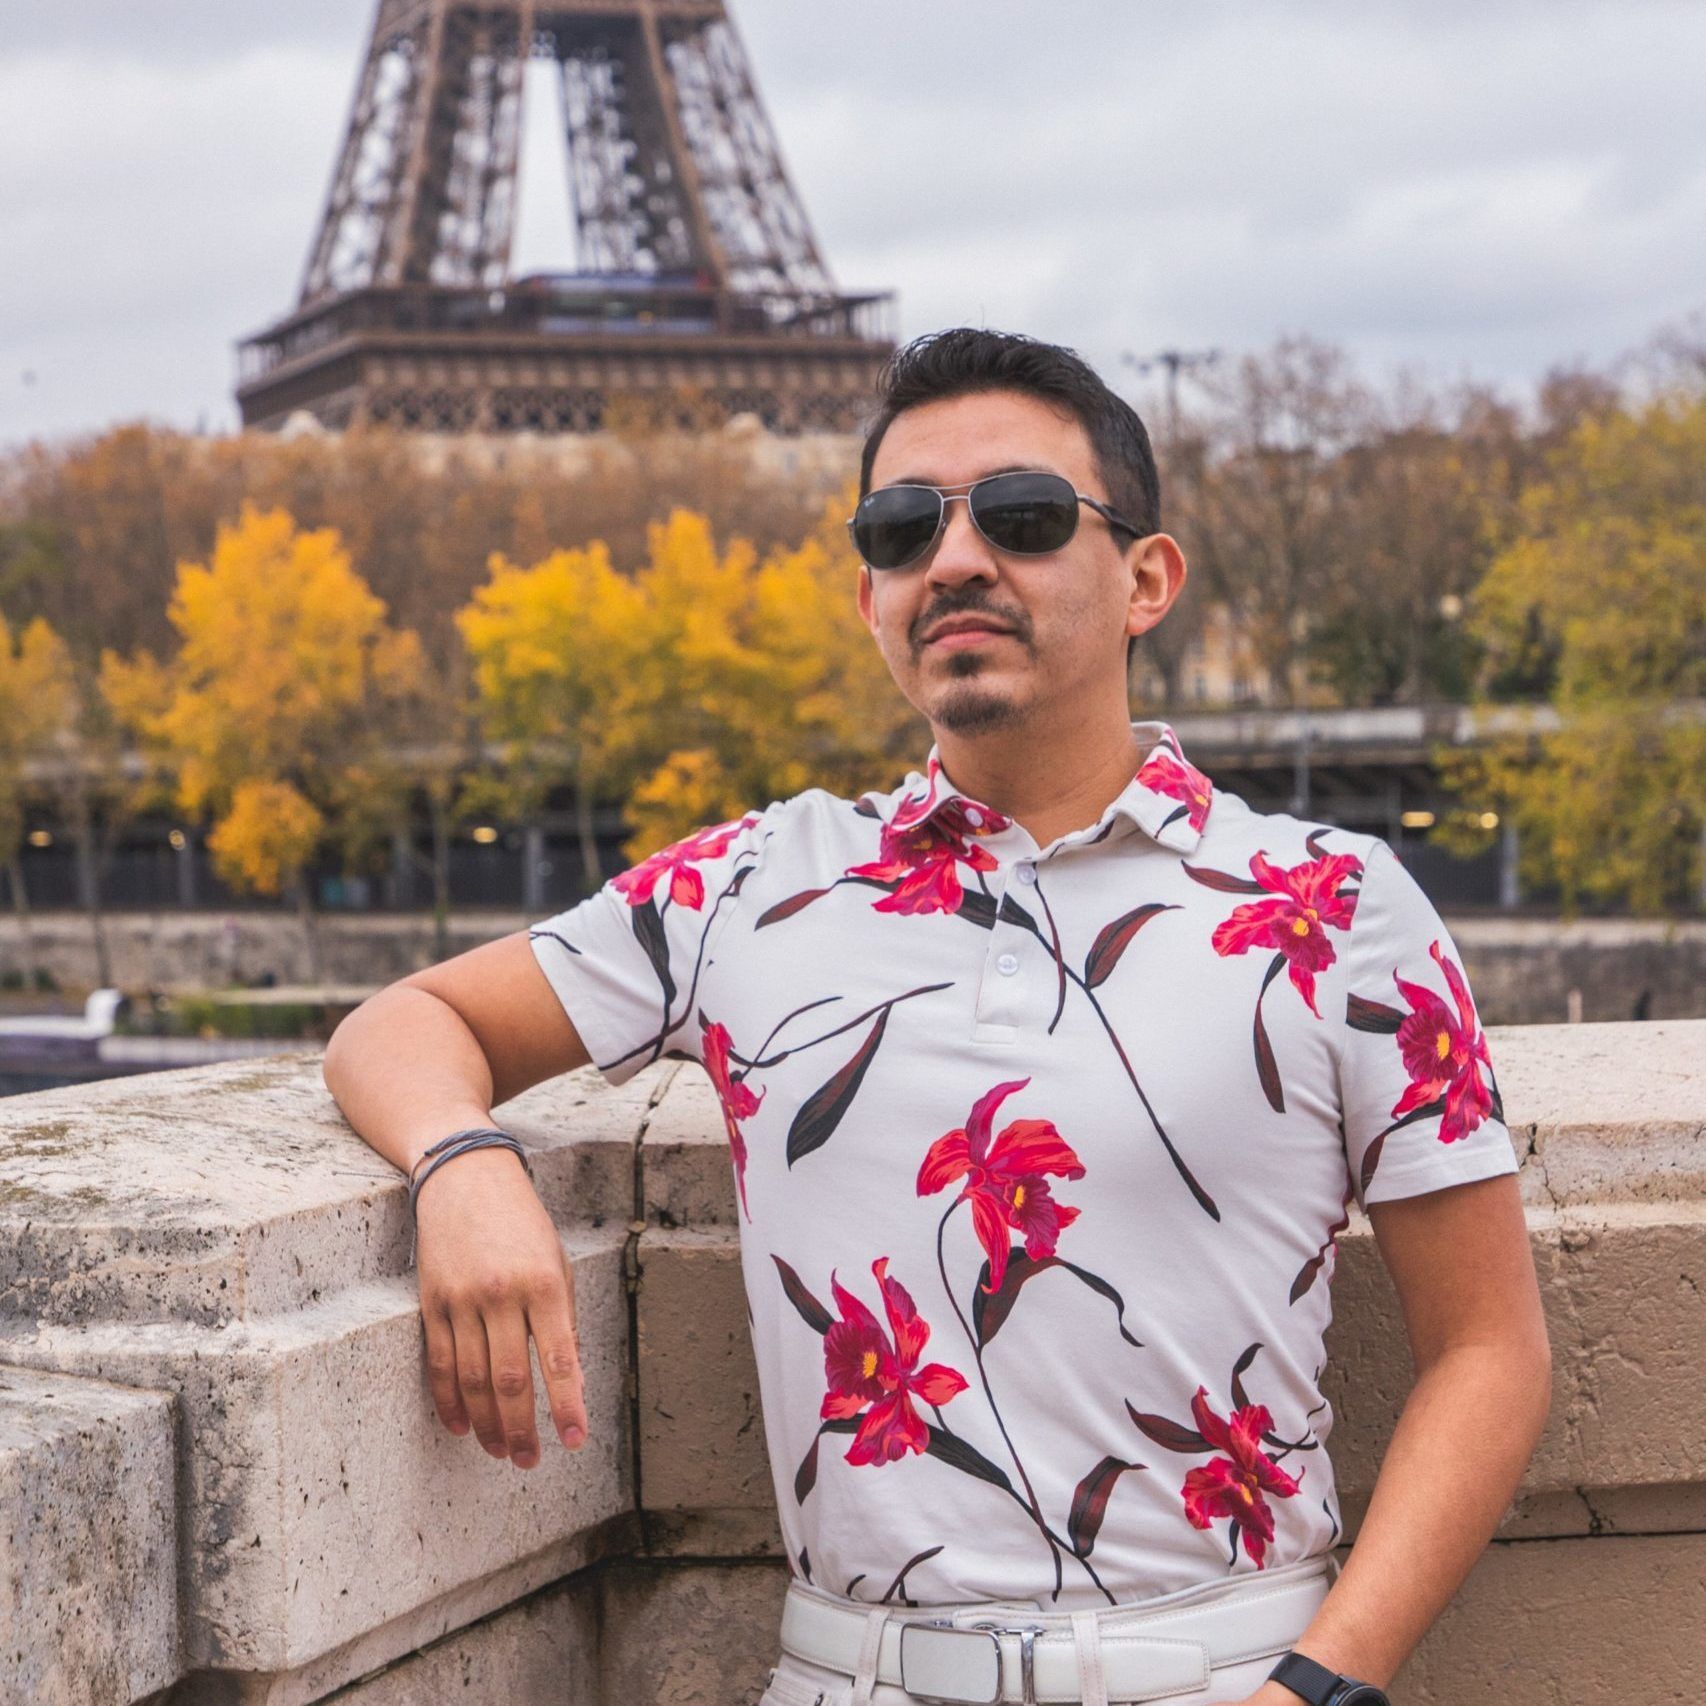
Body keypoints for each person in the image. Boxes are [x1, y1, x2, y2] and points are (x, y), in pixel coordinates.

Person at [322, 328, 1551, 1706]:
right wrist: (461, 1161)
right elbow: (406, 1020)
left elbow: (1489, 1350)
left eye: (1022, 517)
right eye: (904, 528)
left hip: (1224, 1676)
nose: (954, 560)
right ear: (869, 597)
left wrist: (1317, 1689)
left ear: (1146, 577)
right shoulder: (751, 885)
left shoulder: (1333, 904)